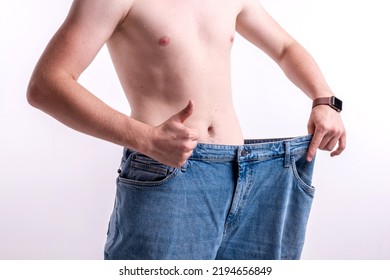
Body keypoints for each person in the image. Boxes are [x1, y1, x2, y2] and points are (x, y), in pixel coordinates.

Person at [27, 0, 346, 260]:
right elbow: (47, 84)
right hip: (170, 173)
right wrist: (146, 139)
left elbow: (285, 47)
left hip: (252, 173)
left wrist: (324, 100)